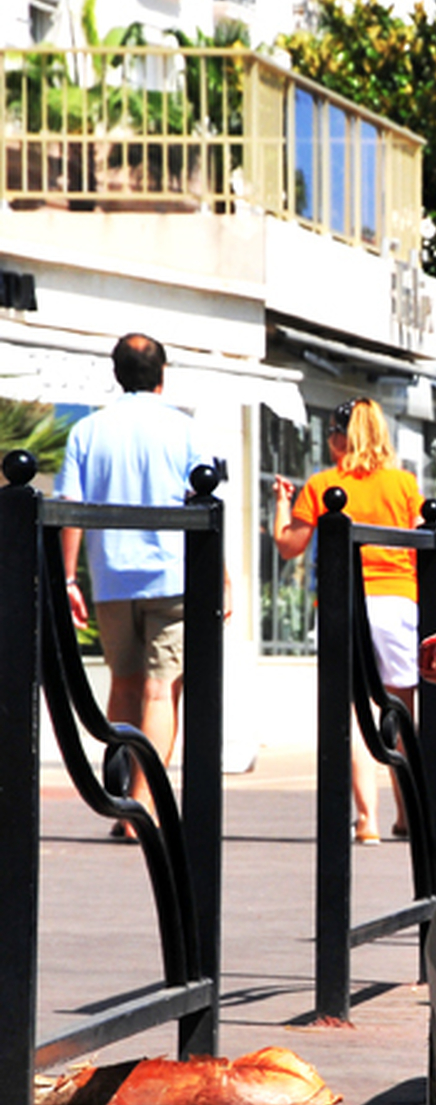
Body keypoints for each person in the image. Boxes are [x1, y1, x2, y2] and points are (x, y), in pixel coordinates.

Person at [56, 333, 220, 840]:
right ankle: (144, 805)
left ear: (117, 373)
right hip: (174, 574)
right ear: (162, 374)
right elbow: (209, 504)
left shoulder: (88, 431)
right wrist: (226, 578)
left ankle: (125, 798)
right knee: (160, 689)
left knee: (124, 685)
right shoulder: (185, 430)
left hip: (111, 577)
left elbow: (70, 509)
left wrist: (67, 578)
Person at [272, 399, 425, 845]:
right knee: (400, 711)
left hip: (345, 605)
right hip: (398, 602)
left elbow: (288, 546)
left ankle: (367, 821)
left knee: (357, 714)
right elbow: (422, 546)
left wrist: (281, 503)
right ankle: (408, 814)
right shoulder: (403, 485)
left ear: (341, 436)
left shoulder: (322, 484)